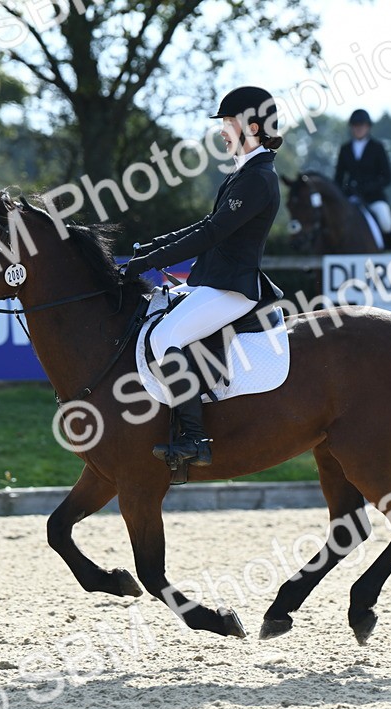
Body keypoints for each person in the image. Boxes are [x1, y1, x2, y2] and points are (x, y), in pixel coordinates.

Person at [124, 85, 285, 468]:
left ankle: (195, 439)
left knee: (165, 335)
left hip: (233, 288)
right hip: (215, 282)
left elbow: (212, 234)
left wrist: (152, 261)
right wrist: (154, 247)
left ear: (253, 127)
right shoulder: (243, 172)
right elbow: (208, 224)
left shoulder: (258, 179)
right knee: (157, 326)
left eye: (229, 123)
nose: (222, 131)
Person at [335, 108, 391, 237]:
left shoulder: (377, 147)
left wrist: (369, 187)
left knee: (386, 223)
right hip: (351, 197)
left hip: (374, 198)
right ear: (351, 127)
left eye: (361, 125)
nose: (358, 128)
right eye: (355, 125)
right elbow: (338, 177)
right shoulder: (345, 149)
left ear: (368, 127)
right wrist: (344, 191)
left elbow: (387, 177)